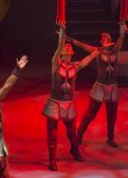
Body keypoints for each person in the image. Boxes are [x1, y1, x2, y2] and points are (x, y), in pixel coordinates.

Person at [43, 26, 99, 171]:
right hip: (55, 103)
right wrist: (62, 35)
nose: (68, 54)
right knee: (53, 134)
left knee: (72, 132)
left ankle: (74, 149)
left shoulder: (75, 66)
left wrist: (101, 49)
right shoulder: (55, 65)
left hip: (69, 103)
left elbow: (92, 55)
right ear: (62, 55)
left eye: (69, 52)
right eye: (65, 52)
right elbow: (56, 51)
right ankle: (52, 159)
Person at [71, 24, 126, 147]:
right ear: (101, 40)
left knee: (112, 115)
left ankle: (110, 138)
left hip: (112, 86)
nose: (106, 36)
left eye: (108, 35)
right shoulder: (97, 51)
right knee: (90, 113)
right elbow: (82, 46)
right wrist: (70, 40)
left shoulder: (115, 50)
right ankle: (79, 135)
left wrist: (122, 26)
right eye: (103, 36)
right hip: (100, 86)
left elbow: (121, 38)